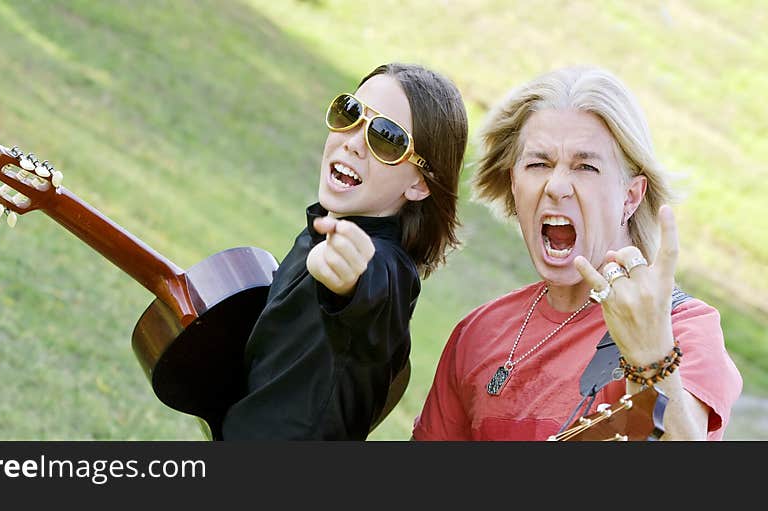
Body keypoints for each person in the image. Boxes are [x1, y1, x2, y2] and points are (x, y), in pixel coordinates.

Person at [412, 66, 742, 441]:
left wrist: (652, 359)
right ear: (514, 185)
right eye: (538, 164)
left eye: (586, 166)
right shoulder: (479, 333)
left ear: (630, 197)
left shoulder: (683, 328)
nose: (556, 186)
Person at [221, 62, 469, 440]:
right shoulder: (320, 231)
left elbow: (376, 295)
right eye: (350, 113)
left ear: (420, 183)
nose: (354, 141)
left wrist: (352, 282)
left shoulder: (386, 267)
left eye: (386, 137)